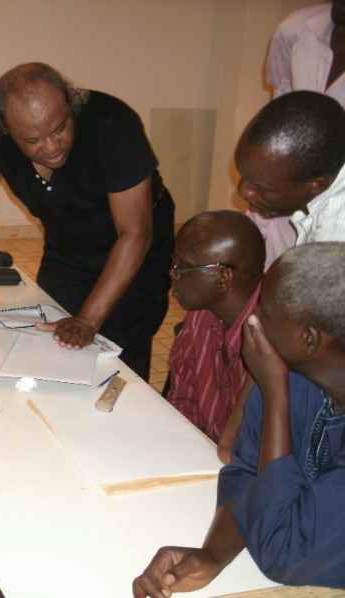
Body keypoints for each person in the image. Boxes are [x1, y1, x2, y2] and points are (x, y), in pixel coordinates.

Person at [0, 63, 174, 381]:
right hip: (67, 240)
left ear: (70, 104)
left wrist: (88, 320)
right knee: (49, 325)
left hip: (134, 247)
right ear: (6, 130)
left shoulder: (112, 125)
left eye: (60, 129)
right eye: (33, 140)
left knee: (120, 348)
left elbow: (135, 233)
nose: (52, 147)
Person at [133, 242, 345, 596]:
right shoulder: (293, 371)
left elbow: (282, 553)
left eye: (265, 312)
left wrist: (275, 393)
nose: (251, 319)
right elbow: (247, 473)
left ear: (307, 339)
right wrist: (214, 554)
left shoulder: (276, 375)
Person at [166, 211, 264, 463]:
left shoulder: (273, 337)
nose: (172, 274)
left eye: (182, 267)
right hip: (200, 455)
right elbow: (182, 398)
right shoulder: (200, 315)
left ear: (223, 278)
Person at [235, 90, 345, 254]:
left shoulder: (337, 233)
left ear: (316, 185)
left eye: (261, 188)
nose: (244, 192)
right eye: (243, 176)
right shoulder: (280, 183)